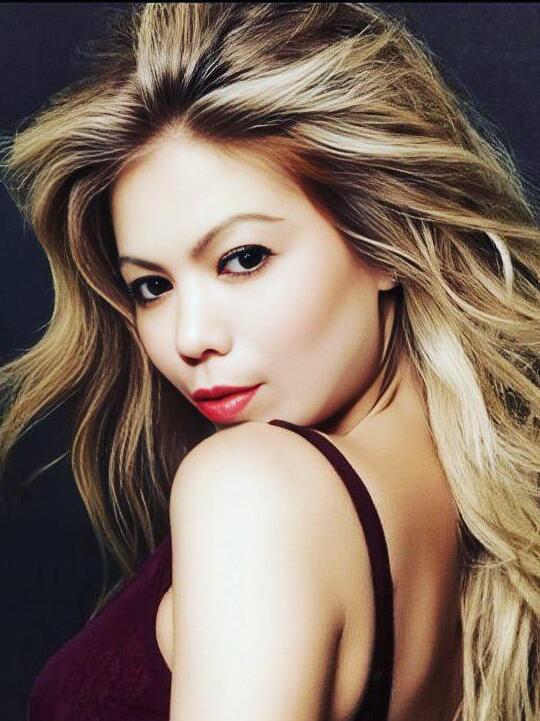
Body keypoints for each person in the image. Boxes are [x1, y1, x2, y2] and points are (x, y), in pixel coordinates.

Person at [1, 4, 538, 721]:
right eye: (152, 287)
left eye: (243, 258)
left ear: (384, 240)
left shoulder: (252, 490)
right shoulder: (467, 521)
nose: (190, 336)